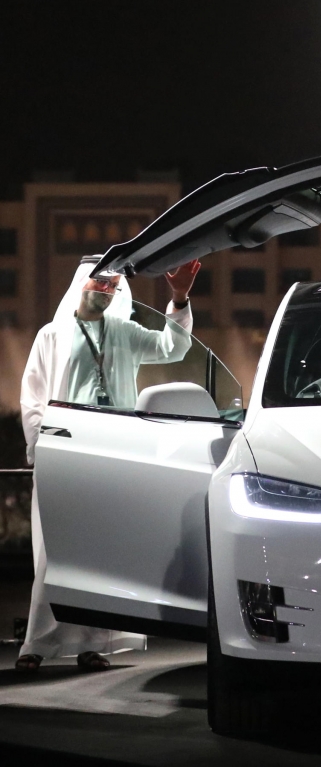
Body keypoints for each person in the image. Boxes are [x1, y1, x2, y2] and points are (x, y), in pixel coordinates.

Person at [16, 256, 200, 672]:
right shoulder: (52, 335)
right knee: (53, 553)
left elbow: (174, 346)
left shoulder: (125, 333)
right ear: (81, 285)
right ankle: (36, 645)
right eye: (99, 284)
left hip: (110, 453)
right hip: (63, 454)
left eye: (112, 287)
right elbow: (32, 399)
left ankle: (93, 644)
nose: (105, 291)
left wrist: (179, 296)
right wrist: (39, 448)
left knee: (100, 550)